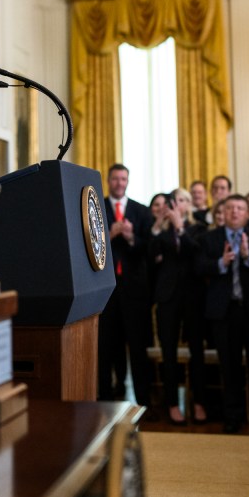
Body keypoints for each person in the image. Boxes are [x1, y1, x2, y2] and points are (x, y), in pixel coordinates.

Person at [199, 194, 249, 434]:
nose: (234, 212)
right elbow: (199, 266)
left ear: (247, 214)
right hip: (225, 312)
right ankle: (233, 416)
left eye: (240, 208)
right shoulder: (209, 238)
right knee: (229, 366)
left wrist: (248, 256)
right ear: (222, 212)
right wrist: (221, 263)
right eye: (230, 208)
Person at [97, 164, 155, 409]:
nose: (119, 183)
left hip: (134, 290)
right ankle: (106, 399)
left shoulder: (141, 211)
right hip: (106, 291)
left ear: (127, 182)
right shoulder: (96, 208)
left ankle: (143, 402)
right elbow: (89, 247)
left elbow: (150, 249)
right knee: (106, 346)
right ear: (109, 181)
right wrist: (108, 236)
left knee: (138, 347)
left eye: (123, 179)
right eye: (115, 179)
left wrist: (131, 237)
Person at [151, 187, 208, 424]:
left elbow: (194, 253)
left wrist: (180, 228)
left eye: (184, 200)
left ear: (190, 205)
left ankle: (199, 402)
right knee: (169, 352)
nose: (179, 205)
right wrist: (157, 226)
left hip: (193, 296)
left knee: (197, 351)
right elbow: (151, 257)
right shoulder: (161, 233)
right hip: (168, 297)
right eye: (176, 201)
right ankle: (173, 403)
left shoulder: (199, 229)